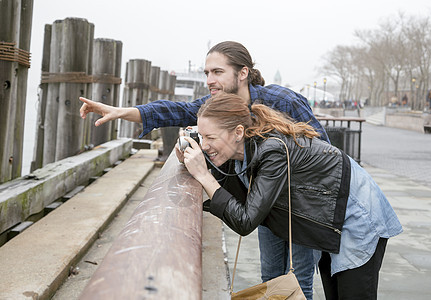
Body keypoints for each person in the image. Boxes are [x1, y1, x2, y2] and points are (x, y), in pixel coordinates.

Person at [80, 41, 330, 298]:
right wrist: (121, 112)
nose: (209, 80)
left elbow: (324, 155)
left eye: (217, 72)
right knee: (271, 280)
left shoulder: (283, 101)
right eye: (207, 73)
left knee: (299, 283)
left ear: (242, 73)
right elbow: (176, 110)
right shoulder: (219, 105)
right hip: (267, 204)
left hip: (302, 207)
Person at [180, 93, 403, 299]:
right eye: (201, 137)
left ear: (238, 132)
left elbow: (245, 221)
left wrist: (203, 175)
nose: (205, 145)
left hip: (356, 214)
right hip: (330, 214)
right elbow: (232, 194)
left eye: (210, 137)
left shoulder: (271, 150)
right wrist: (193, 159)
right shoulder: (240, 150)